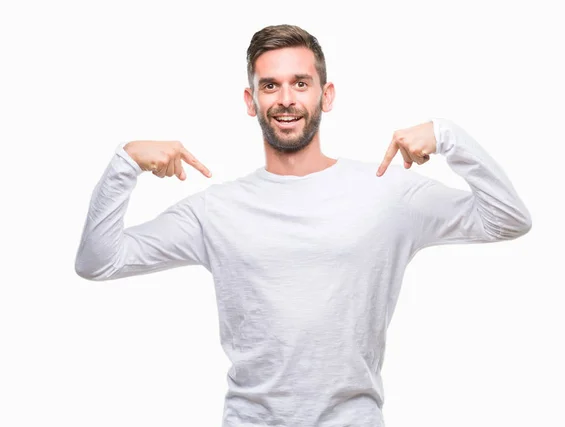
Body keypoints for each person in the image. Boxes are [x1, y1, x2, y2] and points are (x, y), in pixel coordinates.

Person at [74, 24, 532, 427]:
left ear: (325, 95)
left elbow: (507, 219)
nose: (286, 99)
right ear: (251, 101)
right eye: (270, 86)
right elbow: (99, 262)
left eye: (301, 83)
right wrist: (125, 163)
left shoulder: (386, 192)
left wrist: (448, 137)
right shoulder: (216, 210)